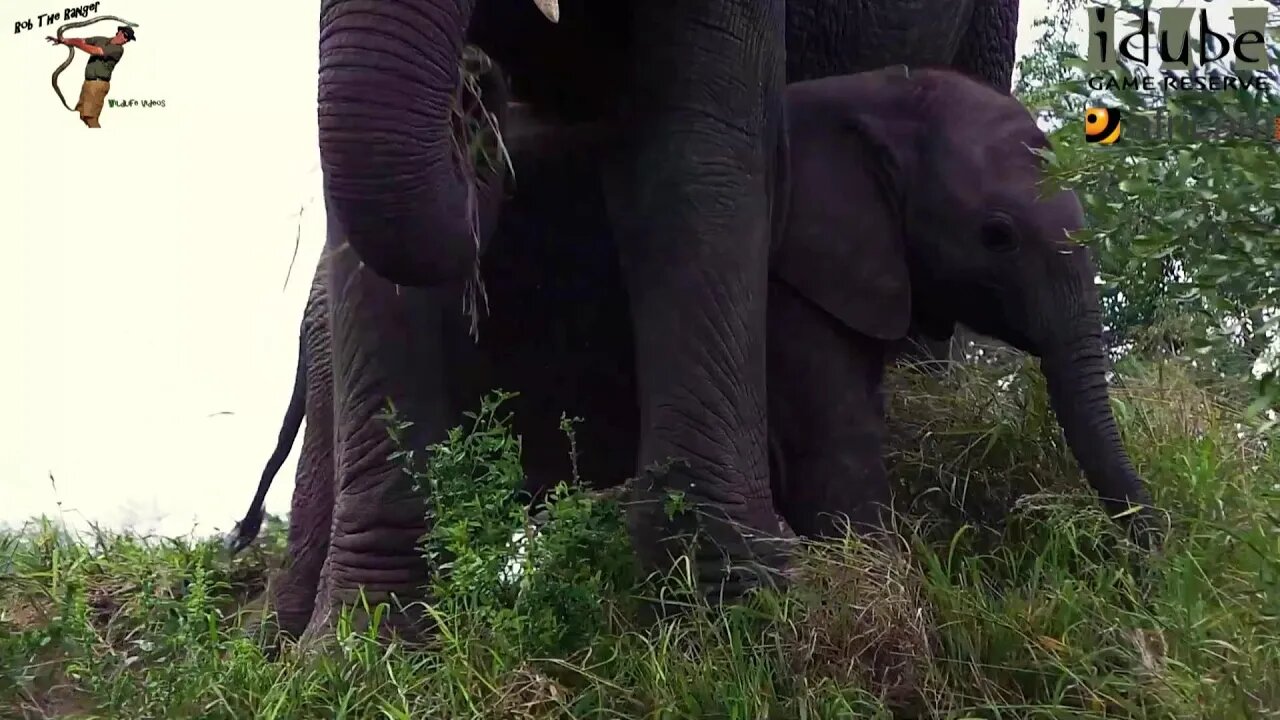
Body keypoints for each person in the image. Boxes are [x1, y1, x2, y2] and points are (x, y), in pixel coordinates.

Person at [45, 25, 135, 128]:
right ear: (119, 32)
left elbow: (95, 51)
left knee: (91, 118)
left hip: (98, 85)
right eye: (125, 35)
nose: (125, 40)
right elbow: (83, 41)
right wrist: (64, 40)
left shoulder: (118, 50)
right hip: (89, 83)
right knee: (84, 115)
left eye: (128, 39)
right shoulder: (102, 39)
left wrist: (75, 44)